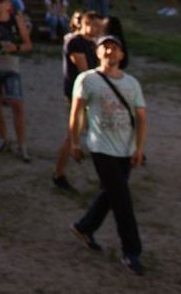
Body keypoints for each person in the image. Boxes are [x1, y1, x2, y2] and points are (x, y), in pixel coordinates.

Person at [68, 35, 147, 275]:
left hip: (126, 148)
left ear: (122, 55)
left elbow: (141, 116)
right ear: (97, 52)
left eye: (115, 48)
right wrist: (74, 142)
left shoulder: (132, 83)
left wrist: (139, 148)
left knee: (111, 193)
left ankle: (84, 227)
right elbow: (77, 112)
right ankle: (131, 251)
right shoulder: (87, 79)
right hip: (100, 147)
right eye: (105, 47)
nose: (110, 51)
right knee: (122, 199)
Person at [53, 10, 99, 191]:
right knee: (73, 136)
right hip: (78, 97)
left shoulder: (91, 43)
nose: (95, 29)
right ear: (84, 23)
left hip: (89, 95)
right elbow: (85, 71)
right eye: (92, 24)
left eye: (98, 25)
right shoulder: (76, 42)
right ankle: (58, 173)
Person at [0, 0, 33, 160]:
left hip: (12, 67)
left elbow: (28, 44)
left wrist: (15, 47)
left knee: (17, 106)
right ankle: (4, 139)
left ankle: (22, 145)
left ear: (8, 4)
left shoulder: (16, 20)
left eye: (1, 0)